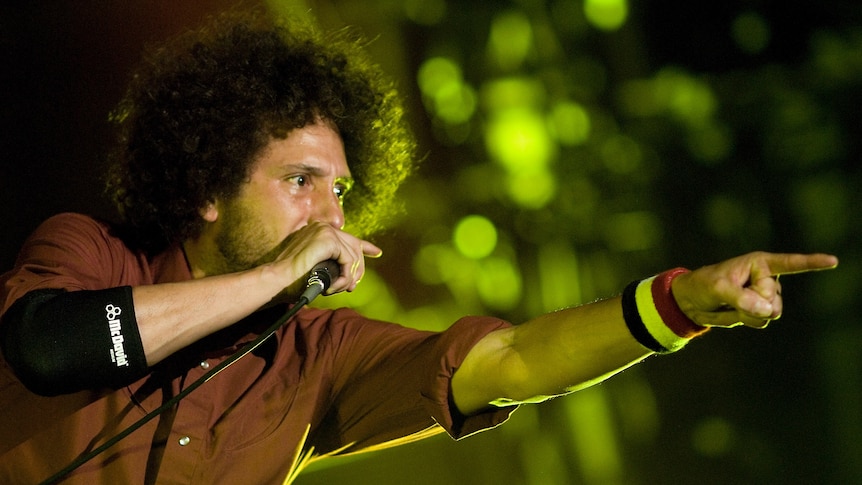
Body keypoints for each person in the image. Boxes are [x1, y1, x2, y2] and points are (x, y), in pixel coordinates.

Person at [0, 10, 838, 485]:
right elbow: (49, 345)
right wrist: (270, 278)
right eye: (300, 180)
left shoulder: (319, 356)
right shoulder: (92, 250)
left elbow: (511, 362)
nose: (330, 213)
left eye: (341, 190)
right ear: (207, 189)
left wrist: (679, 305)